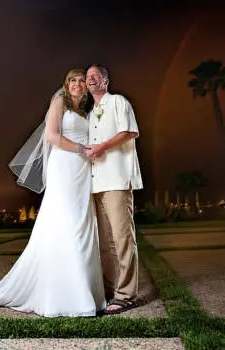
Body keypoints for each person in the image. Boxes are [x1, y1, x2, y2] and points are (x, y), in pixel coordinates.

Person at [0, 68, 106, 317]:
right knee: (66, 222)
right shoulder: (59, 103)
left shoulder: (87, 111)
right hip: (65, 167)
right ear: (66, 84)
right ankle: (65, 295)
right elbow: (51, 136)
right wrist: (81, 148)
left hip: (82, 171)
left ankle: (87, 290)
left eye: (81, 80)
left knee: (83, 223)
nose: (78, 84)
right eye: (73, 80)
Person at [84, 64, 143, 314]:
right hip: (95, 183)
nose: (90, 79)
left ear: (106, 81)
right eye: (88, 77)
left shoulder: (119, 102)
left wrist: (102, 147)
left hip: (117, 180)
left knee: (122, 238)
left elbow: (130, 132)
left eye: (96, 75)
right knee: (105, 243)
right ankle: (110, 293)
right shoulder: (88, 112)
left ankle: (127, 295)